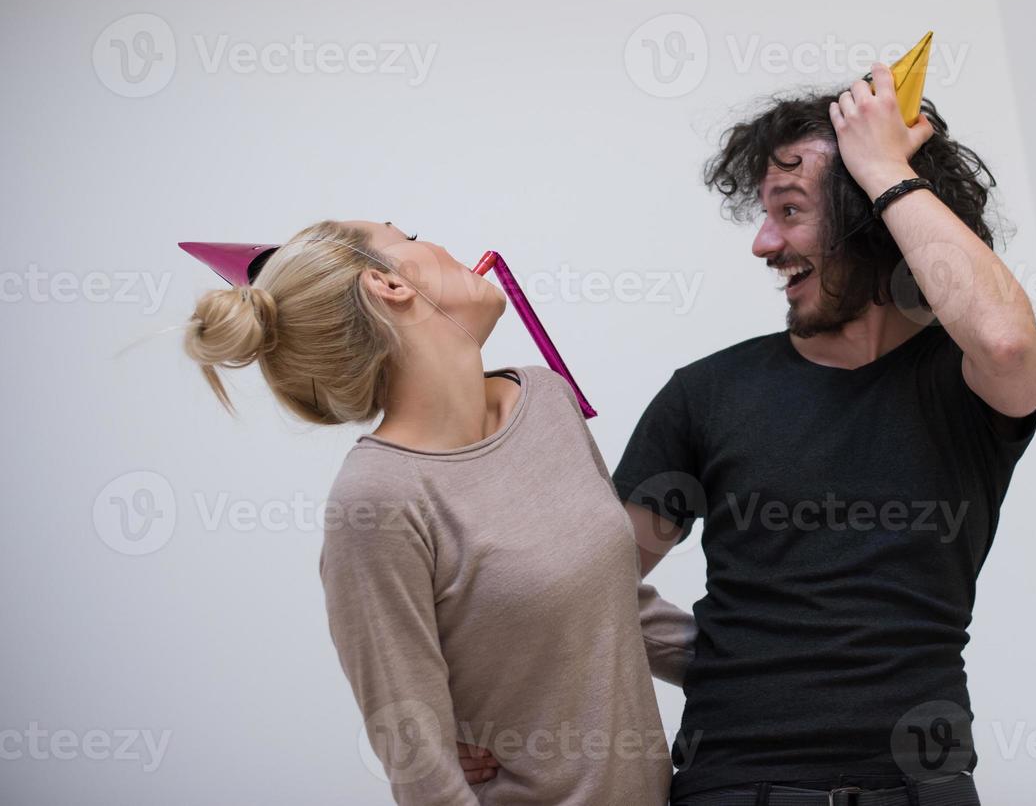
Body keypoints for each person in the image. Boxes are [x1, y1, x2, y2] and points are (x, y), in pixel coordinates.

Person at [611, 65, 1036, 806]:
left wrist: (881, 163)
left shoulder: (968, 379)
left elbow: (1008, 343)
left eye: (789, 211)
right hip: (732, 788)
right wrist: (714, 655)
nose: (762, 243)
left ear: (872, 216)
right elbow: (587, 586)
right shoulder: (707, 393)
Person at [180, 219, 694, 806]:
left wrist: (777, 667)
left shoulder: (546, 398)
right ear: (390, 285)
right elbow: (423, 770)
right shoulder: (377, 499)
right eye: (409, 235)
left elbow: (617, 604)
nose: (440, 244)